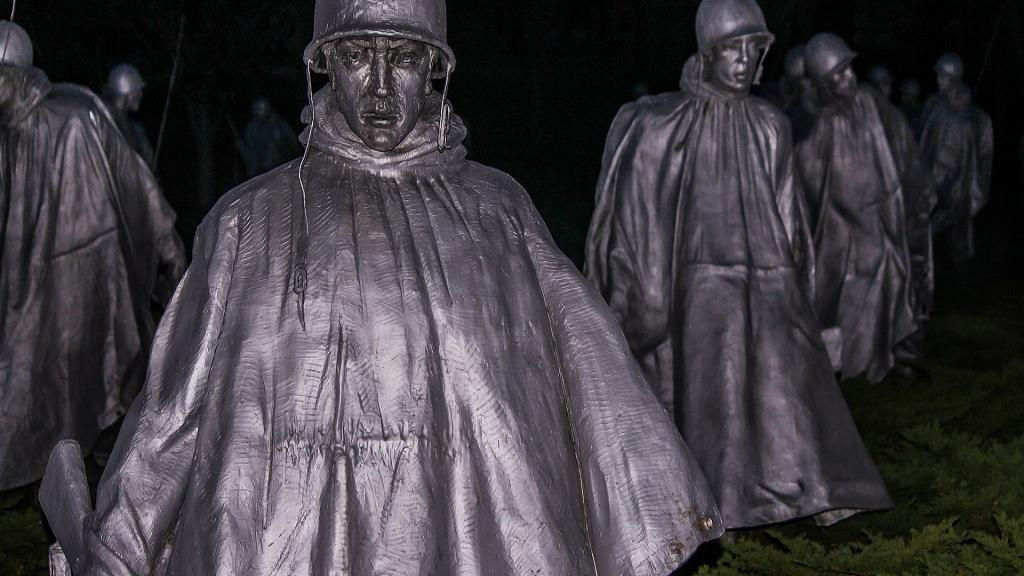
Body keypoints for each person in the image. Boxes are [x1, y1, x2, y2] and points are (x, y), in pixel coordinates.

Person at [39, 1, 724, 574]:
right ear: (322, 63)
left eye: (401, 58)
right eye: (356, 55)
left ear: (435, 70)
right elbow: (171, 417)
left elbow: (589, 385)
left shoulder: (499, 213)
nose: (376, 88)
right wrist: (117, 555)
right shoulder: (250, 223)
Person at [584, 0, 891, 531]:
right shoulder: (663, 123)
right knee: (714, 396)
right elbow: (638, 215)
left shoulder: (770, 125)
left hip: (770, 282)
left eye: (754, 49)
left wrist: (808, 300)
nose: (745, 61)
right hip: (696, 285)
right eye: (733, 49)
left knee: (789, 385)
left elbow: (791, 218)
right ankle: (700, 505)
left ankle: (813, 488)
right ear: (707, 54)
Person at [0, 21, 185, 491]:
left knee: (102, 379)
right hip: (26, 291)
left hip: (91, 279)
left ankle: (116, 486)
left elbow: (134, 181)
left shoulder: (76, 113)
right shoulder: (7, 136)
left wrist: (166, 240)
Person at [797, 33, 934, 383]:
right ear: (821, 84)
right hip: (842, 229)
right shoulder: (817, 126)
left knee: (896, 285)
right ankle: (847, 363)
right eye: (836, 76)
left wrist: (919, 186)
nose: (847, 79)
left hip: (884, 217)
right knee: (847, 296)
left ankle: (892, 356)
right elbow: (808, 183)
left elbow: (901, 142)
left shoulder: (871, 103)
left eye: (848, 70)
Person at [919, 53, 993, 285]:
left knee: (947, 234)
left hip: (954, 186)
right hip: (946, 186)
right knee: (945, 233)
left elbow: (982, 154)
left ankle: (957, 283)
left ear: (951, 77)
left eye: (942, 76)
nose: (939, 81)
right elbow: (924, 142)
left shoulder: (973, 117)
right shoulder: (936, 107)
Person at [102, 64, 155, 167]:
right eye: (139, 91)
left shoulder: (132, 127)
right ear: (130, 94)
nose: (141, 95)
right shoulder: (108, 125)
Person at [241, 96, 300, 178]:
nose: (261, 111)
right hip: (261, 169)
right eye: (258, 108)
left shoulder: (278, 122)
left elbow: (292, 139)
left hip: (281, 165)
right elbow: (251, 150)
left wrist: (296, 156)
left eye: (263, 107)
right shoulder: (252, 127)